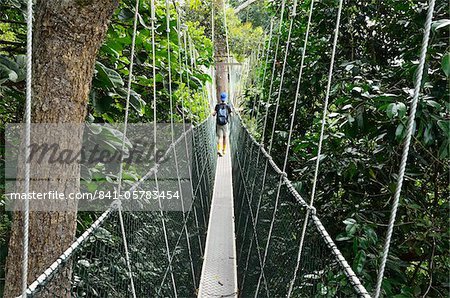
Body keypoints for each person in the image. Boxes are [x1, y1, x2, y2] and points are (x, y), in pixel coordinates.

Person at [212, 92, 232, 156]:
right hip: (225, 124)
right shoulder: (227, 106)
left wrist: (212, 113)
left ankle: (219, 150)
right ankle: (224, 150)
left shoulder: (217, 106)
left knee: (220, 137)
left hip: (218, 124)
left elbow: (214, 114)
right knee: (225, 137)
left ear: (220, 98)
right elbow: (231, 114)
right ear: (225, 98)